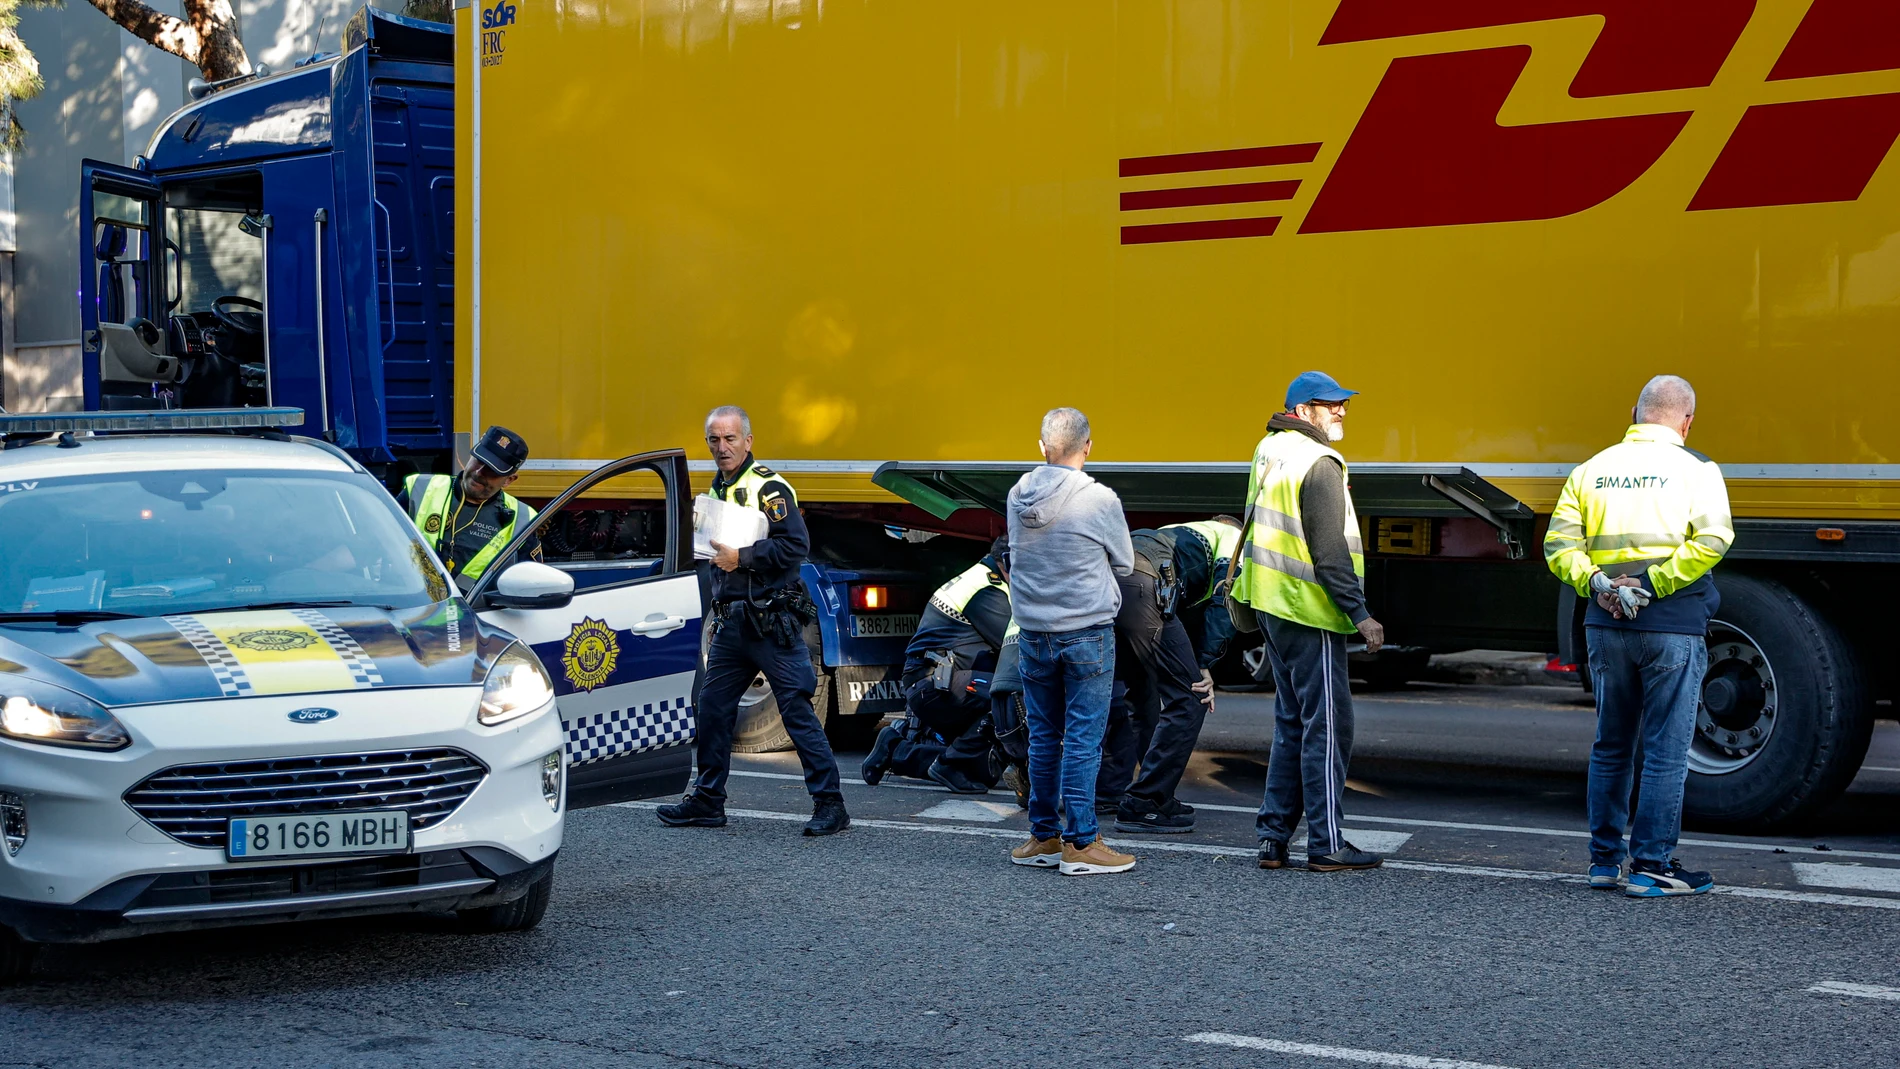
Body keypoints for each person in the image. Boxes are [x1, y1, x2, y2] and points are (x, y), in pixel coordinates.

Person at [1544, 374, 1732, 898]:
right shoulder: (1697, 470)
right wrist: (1650, 585)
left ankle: (1603, 862)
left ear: (1634, 414)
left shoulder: (1592, 469)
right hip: (1670, 626)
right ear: (1687, 421)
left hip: (1605, 625)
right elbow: (1715, 539)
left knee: (1611, 745)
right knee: (1666, 750)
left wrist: (1598, 583)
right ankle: (1651, 865)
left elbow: (1558, 546)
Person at [657, 406, 849, 836]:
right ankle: (708, 800)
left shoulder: (769, 488)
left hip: (770, 622)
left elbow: (795, 547)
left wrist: (740, 558)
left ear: (748, 440)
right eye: (714, 440)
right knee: (712, 710)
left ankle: (831, 805)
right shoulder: (719, 488)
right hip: (731, 626)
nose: (721, 447)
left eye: (729, 439)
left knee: (797, 712)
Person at [1238, 371, 1387, 873]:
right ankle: (1326, 844)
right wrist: (1360, 614)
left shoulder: (1270, 448)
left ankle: (1272, 838)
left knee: (1292, 723)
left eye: (1343, 403)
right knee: (1327, 726)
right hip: (1307, 608)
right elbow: (1328, 553)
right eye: (1329, 404)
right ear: (1303, 411)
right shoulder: (1318, 461)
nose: (1341, 411)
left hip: (1269, 604)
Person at [1005, 407, 1138, 876]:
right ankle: (1081, 843)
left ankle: (1043, 836)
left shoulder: (1017, 494)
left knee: (1044, 737)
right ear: (1088, 446)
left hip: (1033, 634)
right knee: (1083, 740)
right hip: (1086, 633)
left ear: (1042, 447)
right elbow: (1124, 563)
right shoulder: (1099, 498)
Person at [1099, 516, 1243, 834]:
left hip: (1101, 580)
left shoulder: (1180, 533)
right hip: (1142, 580)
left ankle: (1106, 792)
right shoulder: (1233, 538)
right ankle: (1147, 802)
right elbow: (1224, 596)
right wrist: (1204, 663)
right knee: (1192, 696)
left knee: (1140, 693)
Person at [864, 536, 1012, 794]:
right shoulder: (987, 590)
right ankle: (951, 763)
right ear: (1010, 562)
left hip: (939, 681)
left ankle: (897, 750)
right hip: (935, 683)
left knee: (983, 771)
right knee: (1010, 695)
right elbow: (1015, 647)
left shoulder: (983, 577)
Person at [396, 425, 542, 593]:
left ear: (509, 480)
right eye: (479, 460)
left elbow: (531, 586)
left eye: (492, 470)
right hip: (413, 605)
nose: (479, 472)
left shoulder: (523, 520)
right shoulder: (419, 489)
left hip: (478, 614)